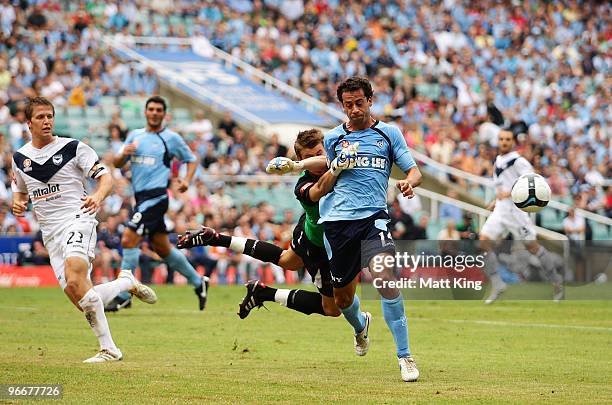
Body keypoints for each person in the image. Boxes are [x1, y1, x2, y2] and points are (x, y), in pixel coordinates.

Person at [11, 97, 156, 363]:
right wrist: (18, 203)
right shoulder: (20, 158)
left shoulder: (73, 147)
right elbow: (20, 191)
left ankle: (109, 349)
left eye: (50, 116)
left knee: (76, 278)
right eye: (41, 117)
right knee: (79, 295)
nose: (47, 121)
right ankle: (125, 282)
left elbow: (106, 178)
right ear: (28, 122)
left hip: (79, 218)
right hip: (50, 233)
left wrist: (98, 197)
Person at [177, 129, 358, 319]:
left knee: (288, 261)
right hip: (318, 243)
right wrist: (335, 166)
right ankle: (267, 293)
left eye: (319, 154)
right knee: (333, 309)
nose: (316, 160)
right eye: (308, 157)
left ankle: (216, 239)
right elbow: (320, 188)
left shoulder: (337, 160)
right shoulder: (303, 184)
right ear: (300, 158)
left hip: (321, 231)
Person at [319, 76, 422, 382]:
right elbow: (324, 185)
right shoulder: (333, 138)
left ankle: (405, 356)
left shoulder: (388, 133)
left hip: (373, 219)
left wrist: (407, 182)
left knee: (384, 277)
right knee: (342, 299)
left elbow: (415, 171)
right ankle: (360, 325)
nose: (353, 110)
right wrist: (337, 166)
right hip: (337, 224)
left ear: (370, 100)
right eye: (348, 104)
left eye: (359, 103)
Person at [111, 96, 207, 311]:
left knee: (128, 239)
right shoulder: (135, 136)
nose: (154, 113)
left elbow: (191, 159)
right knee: (162, 248)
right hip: (140, 198)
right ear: (145, 112)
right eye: (151, 109)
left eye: (158, 110)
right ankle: (199, 282)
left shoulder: (170, 138)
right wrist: (122, 154)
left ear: (163, 114)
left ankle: (125, 295)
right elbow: (117, 164)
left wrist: (186, 180)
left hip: (156, 198)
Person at [480, 130, 564, 304]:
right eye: (501, 139)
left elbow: (533, 184)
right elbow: (501, 186)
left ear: (513, 142)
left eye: (507, 139)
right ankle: (497, 284)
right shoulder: (498, 160)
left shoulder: (519, 161)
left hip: (517, 212)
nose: (504, 142)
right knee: (483, 241)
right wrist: (496, 200)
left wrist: (509, 193)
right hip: (501, 210)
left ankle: (556, 281)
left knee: (533, 247)